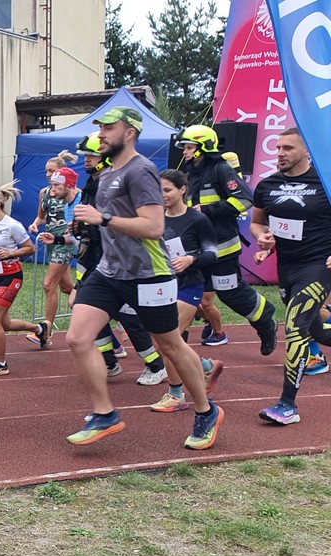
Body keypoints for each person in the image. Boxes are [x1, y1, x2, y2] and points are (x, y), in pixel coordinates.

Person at [66, 106, 222, 449]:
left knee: (169, 345)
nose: (102, 134)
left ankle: (205, 410)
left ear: (130, 132)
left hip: (149, 275)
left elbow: (154, 227)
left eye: (109, 127)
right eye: (100, 127)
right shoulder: (107, 174)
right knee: (78, 338)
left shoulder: (142, 171)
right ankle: (104, 414)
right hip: (110, 271)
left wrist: (103, 218)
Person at [68, 132, 168, 385]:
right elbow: (93, 226)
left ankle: (159, 364)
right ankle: (109, 361)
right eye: (86, 156)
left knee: (150, 329)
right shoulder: (93, 185)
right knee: (83, 311)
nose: (87, 160)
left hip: (134, 264)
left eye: (92, 155)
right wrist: (80, 229)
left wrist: (102, 221)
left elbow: (148, 225)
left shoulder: (131, 175)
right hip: (100, 261)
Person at [250, 127, 331, 424]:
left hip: (319, 266)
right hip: (287, 267)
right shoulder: (267, 185)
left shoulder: (326, 182)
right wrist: (264, 239)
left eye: (288, 148)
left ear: (307, 151)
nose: (280, 153)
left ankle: (287, 405)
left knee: (295, 328)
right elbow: (258, 223)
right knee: (316, 330)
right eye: (278, 148)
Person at [176, 124, 277, 354]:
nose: (185, 152)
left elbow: (244, 200)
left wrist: (208, 210)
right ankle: (176, 348)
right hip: (197, 250)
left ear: (202, 147)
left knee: (231, 294)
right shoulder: (190, 174)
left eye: (189, 147)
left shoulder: (221, 169)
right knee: (185, 295)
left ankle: (265, 321)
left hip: (223, 250)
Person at [150, 169, 224, 413]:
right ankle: (205, 365)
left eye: (168, 190)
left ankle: (175, 394)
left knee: (168, 341)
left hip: (189, 285)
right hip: (161, 284)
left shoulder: (197, 220)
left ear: (183, 189)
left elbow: (213, 252)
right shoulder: (156, 218)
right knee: (164, 342)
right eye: (159, 190)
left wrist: (191, 259)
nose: (163, 195)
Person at [0, 181, 46, 376]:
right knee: (4, 323)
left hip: (11, 275)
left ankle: (1, 363)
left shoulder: (13, 225)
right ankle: (40, 328)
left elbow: (30, 248)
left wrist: (11, 252)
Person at [29, 159, 79, 345]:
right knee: (67, 288)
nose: (49, 175)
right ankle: (98, 303)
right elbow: (41, 217)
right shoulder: (44, 193)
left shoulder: (76, 195)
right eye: (47, 172)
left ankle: (45, 332)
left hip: (65, 242)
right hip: (52, 241)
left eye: (52, 172)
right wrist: (35, 224)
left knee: (48, 284)